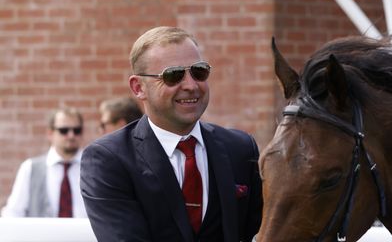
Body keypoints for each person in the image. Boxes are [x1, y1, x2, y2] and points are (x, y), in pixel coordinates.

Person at [80, 26, 262, 241]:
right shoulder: (109, 159)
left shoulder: (240, 149)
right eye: (173, 75)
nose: (191, 85)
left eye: (199, 71)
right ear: (138, 87)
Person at [1, 108, 87, 218]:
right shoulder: (30, 168)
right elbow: (13, 212)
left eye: (77, 130)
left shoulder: (94, 168)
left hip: (84, 235)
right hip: (40, 235)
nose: (71, 135)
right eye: (64, 130)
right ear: (50, 133)